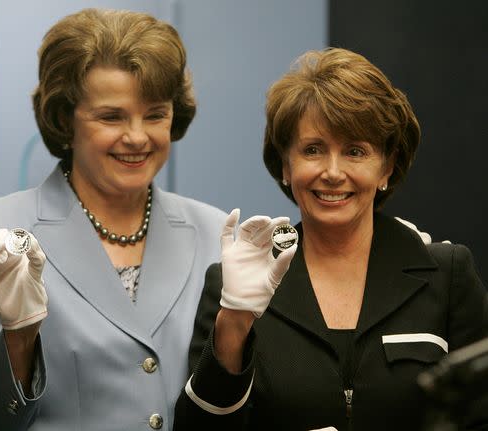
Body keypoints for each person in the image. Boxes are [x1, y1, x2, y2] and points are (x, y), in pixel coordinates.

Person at [174, 48, 488, 431]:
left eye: (355, 151)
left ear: (386, 166)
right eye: (312, 150)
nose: (333, 172)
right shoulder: (235, 285)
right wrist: (234, 323)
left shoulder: (446, 274)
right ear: (286, 166)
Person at [0, 9, 227, 431]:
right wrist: (18, 337)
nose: (136, 137)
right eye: (111, 116)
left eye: (155, 114)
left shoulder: (217, 234)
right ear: (64, 120)